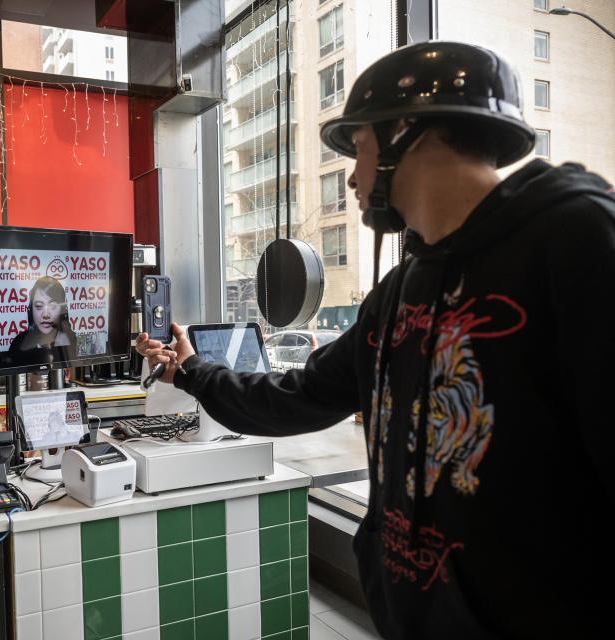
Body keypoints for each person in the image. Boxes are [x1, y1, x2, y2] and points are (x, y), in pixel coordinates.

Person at [137, 41, 615, 639]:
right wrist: (189, 372)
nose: (352, 176)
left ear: (407, 134)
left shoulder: (577, 240)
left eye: (358, 148)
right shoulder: (398, 293)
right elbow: (297, 397)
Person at [8, 276, 78, 361]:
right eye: (39, 306)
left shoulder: (74, 341)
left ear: (62, 310)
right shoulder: (19, 343)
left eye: (52, 306)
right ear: (31, 309)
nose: (45, 315)